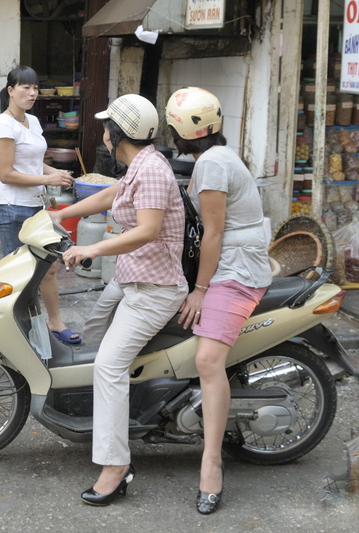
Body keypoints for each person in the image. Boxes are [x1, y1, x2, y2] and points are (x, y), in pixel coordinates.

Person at [51, 94, 187, 506]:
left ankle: (116, 467)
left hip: (154, 289)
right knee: (93, 337)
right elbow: (111, 198)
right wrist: (63, 214)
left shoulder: (151, 172)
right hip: (132, 281)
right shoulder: (139, 166)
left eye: (107, 127)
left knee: (109, 367)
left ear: (117, 134)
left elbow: (147, 229)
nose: (104, 134)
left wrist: (90, 249)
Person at [165, 87, 272, 514]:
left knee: (208, 360)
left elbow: (213, 233)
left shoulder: (210, 165)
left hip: (235, 271)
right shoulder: (216, 157)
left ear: (181, 130)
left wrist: (201, 290)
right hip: (230, 262)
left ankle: (211, 463)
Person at [0, 66, 79, 343]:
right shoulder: (4, 125)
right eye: (25, 88)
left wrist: (53, 174)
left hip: (36, 205)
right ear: (11, 91)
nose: (32, 93)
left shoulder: (33, 122)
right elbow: (6, 174)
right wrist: (46, 177)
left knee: (49, 267)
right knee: (22, 275)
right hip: (13, 207)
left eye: (35, 88)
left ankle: (54, 322)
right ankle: (17, 330)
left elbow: (31, 163)